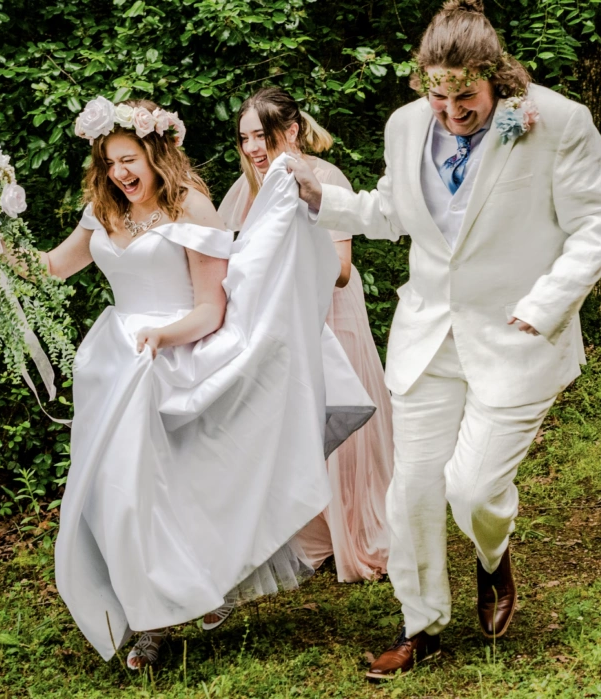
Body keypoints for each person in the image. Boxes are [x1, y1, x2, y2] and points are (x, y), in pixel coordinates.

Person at [287, 0, 601, 681]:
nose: (449, 111)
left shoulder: (557, 122)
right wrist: (325, 202)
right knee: (410, 488)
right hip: (429, 336)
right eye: (437, 95)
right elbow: (391, 209)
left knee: (472, 490)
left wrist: (547, 303)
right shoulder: (407, 125)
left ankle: (493, 556)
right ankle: (421, 624)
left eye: (464, 95)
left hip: (517, 334)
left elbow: (600, 222)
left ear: (495, 76)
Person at [40, 97, 373, 670]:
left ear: (155, 152)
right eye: (110, 161)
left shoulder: (190, 206)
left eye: (129, 159)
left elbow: (210, 310)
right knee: (108, 498)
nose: (120, 173)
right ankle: (146, 604)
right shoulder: (102, 209)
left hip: (171, 359)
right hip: (110, 366)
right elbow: (53, 266)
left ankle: (155, 621)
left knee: (159, 497)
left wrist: (163, 338)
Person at [219, 87, 394, 583]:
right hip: (281, 321)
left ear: (291, 131)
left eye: (263, 135)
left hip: (328, 314)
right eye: (246, 137)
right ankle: (314, 531)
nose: (254, 147)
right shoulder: (246, 188)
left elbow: (340, 269)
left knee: (340, 420)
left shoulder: (324, 177)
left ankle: (355, 532)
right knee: (295, 420)